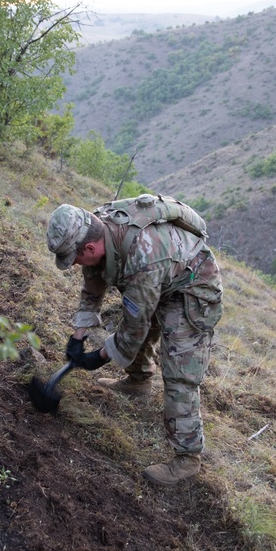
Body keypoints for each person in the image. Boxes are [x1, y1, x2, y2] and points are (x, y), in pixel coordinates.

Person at [46, 194, 223, 486]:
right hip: (161, 278)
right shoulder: (93, 224)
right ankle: (138, 381)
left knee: (180, 373)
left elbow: (134, 328)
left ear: (89, 247)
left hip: (193, 289)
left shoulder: (142, 256)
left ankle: (187, 459)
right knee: (134, 321)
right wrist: (78, 334)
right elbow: (93, 279)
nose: (75, 265)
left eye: (74, 258)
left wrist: (98, 357)